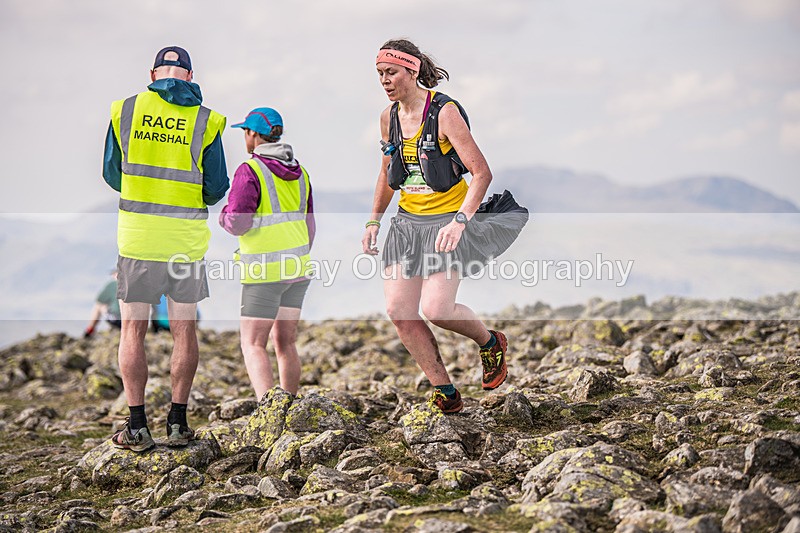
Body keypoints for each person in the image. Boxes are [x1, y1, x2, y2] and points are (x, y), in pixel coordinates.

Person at [363, 39, 527, 414]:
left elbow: (481, 173)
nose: (385, 81)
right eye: (380, 74)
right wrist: (374, 220)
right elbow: (387, 173)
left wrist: (460, 221)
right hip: (406, 225)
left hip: (445, 223)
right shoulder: (388, 118)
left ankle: (489, 343)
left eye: (391, 72)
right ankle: (446, 391)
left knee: (437, 308)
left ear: (413, 70)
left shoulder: (444, 112)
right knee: (399, 311)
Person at [103, 46, 228, 452]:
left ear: (153, 74)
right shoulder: (206, 121)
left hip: (138, 237)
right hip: (184, 243)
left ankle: (137, 426)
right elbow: (214, 189)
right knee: (184, 330)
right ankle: (177, 422)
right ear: (190, 76)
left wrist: (146, 193)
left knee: (133, 330)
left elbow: (111, 172)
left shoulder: (125, 109)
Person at [220, 107, 315, 399]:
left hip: (264, 272)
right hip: (297, 269)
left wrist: (223, 215)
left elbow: (238, 222)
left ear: (252, 134)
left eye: (244, 132)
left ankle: (270, 411)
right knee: (285, 343)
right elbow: (309, 224)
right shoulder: (301, 173)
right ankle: (289, 406)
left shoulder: (250, 170)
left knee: (253, 344)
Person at [84, 270, 122, 338]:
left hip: (118, 320)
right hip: (132, 320)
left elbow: (99, 300)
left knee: (98, 306)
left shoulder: (113, 284)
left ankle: (90, 330)